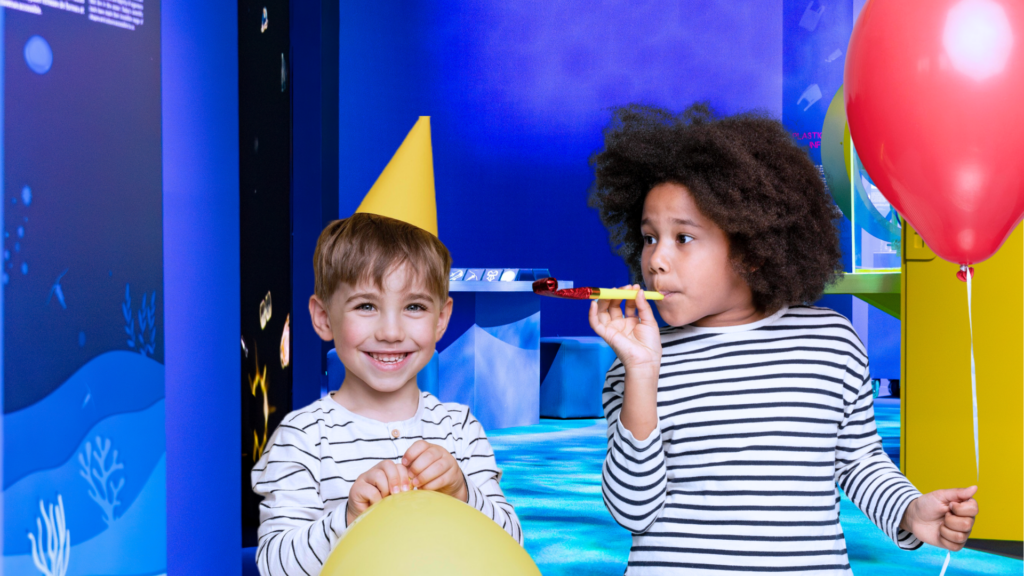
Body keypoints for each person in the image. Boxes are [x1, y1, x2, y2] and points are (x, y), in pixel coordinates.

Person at [587, 103, 979, 575]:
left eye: (683, 239)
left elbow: (858, 462)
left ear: (753, 251)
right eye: (650, 237)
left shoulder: (830, 344)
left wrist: (909, 512)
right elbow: (632, 510)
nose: (657, 260)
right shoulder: (633, 370)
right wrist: (642, 375)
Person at [251, 213, 522, 576]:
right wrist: (347, 519)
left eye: (414, 307)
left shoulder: (460, 428)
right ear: (323, 317)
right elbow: (275, 566)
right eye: (366, 306)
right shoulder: (301, 439)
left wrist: (462, 491)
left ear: (441, 318)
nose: (391, 332)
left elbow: (510, 543)